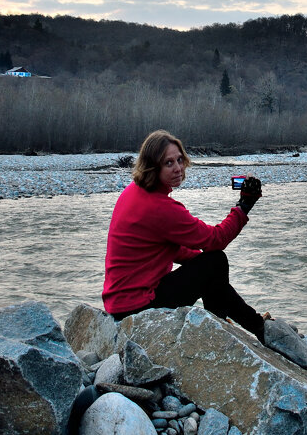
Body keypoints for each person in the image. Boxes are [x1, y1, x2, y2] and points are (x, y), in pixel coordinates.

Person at [101, 129, 266, 341]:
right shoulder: (160, 207)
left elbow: (169, 248)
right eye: (168, 163)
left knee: (210, 265)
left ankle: (252, 325)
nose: (178, 168)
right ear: (153, 167)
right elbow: (216, 239)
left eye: (180, 159)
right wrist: (244, 205)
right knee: (216, 261)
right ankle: (226, 333)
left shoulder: (134, 191)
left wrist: (200, 262)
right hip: (138, 307)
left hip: (120, 303)